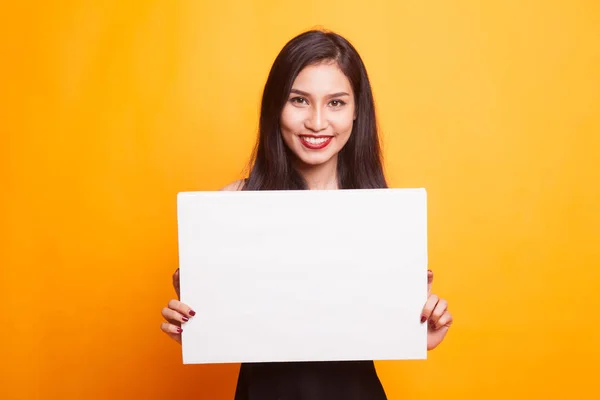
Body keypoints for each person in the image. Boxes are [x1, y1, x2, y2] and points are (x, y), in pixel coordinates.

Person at [160, 29, 453, 399]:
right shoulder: (233, 204)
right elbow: (224, 328)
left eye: (336, 103)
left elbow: (375, 325)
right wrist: (195, 320)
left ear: (357, 110)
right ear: (275, 107)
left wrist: (418, 330)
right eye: (299, 100)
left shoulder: (382, 213)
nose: (317, 122)